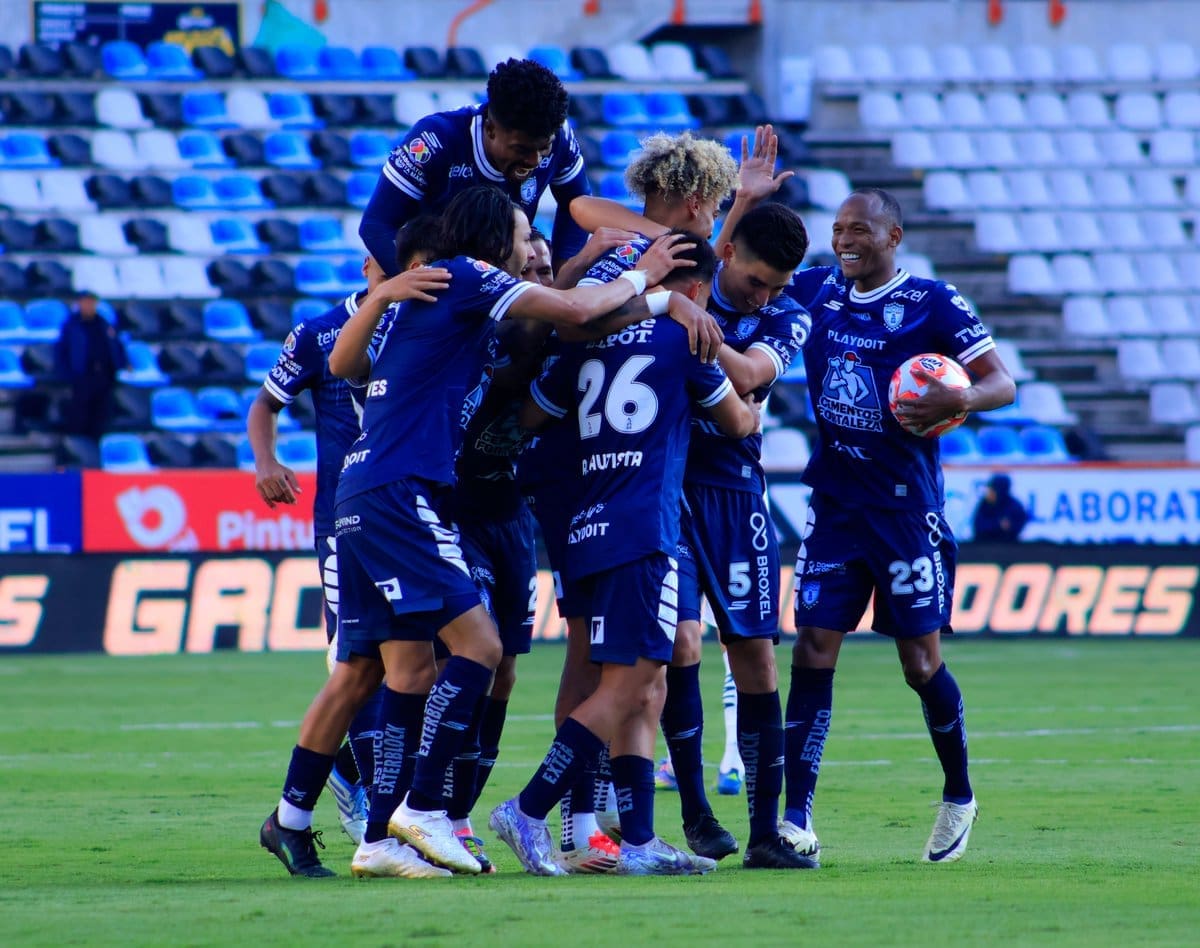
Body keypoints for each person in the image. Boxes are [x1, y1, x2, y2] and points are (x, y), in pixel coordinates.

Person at [259, 185, 714, 879]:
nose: (531, 245)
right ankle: (425, 809)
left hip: (362, 491)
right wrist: (648, 277)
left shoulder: (444, 299)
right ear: (495, 239)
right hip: (400, 488)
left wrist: (381, 299)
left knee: (389, 669)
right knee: (480, 646)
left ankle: (360, 835)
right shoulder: (472, 275)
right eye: (524, 233)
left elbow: (348, 365)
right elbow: (575, 311)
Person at [490, 234, 762, 876]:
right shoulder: (687, 339)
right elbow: (735, 423)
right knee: (631, 682)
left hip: (585, 522)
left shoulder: (586, 342)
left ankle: (638, 840)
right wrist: (753, 406)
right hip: (644, 527)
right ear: (697, 289)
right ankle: (527, 809)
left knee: (645, 683)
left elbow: (530, 417)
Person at [781, 187, 1016, 865]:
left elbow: (1002, 383)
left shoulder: (933, 302)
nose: (844, 241)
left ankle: (959, 795)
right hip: (835, 505)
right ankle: (796, 818)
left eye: (859, 230)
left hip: (906, 513)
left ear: (893, 237)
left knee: (920, 663)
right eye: (837, 230)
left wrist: (960, 397)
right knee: (812, 648)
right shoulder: (817, 289)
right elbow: (738, 278)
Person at [249, 222, 441, 847]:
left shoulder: (428, 322)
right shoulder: (321, 332)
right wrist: (267, 461)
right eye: (390, 264)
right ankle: (370, 806)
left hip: (411, 512)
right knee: (356, 661)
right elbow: (265, 403)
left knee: (417, 661)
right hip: (343, 521)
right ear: (368, 266)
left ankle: (366, 785)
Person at [663, 201, 818, 870]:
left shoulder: (788, 314)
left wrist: (685, 319)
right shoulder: (684, 283)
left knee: (755, 656)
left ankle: (763, 834)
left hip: (736, 494)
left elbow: (751, 376)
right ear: (727, 255)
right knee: (679, 642)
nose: (765, 297)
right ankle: (696, 813)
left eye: (776, 287)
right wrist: (681, 305)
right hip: (667, 487)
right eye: (757, 282)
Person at [358, 57, 591, 276]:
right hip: (443, 276)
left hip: (508, 276)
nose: (534, 160)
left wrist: (563, 274)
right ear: (490, 129)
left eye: (544, 148)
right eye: (521, 149)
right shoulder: (434, 140)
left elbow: (577, 204)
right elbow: (376, 225)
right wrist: (421, 285)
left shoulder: (560, 134)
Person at [54, 290, 126, 443]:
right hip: (82, 377)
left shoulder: (104, 324)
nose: (89, 305)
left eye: (91, 302)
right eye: (85, 302)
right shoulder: (71, 326)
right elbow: (62, 352)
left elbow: (115, 346)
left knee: (101, 417)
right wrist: (67, 374)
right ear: (79, 304)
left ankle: (95, 447)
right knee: (80, 417)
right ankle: (78, 448)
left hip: (103, 377)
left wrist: (120, 364)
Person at [972, 473, 1028, 541]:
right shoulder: (984, 504)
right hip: (984, 544)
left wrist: (1009, 526)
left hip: (1008, 545)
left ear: (1000, 491)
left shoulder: (1015, 506)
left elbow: (1018, 525)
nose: (988, 492)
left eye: (992, 490)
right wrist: (998, 525)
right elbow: (977, 526)